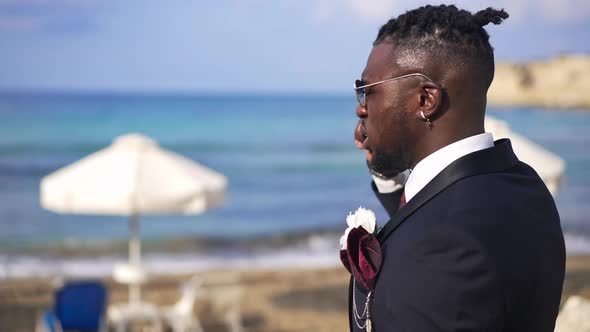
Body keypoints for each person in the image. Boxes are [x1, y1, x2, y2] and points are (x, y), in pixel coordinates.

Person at [349, 5, 565, 332]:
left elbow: (433, 234)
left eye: (368, 90)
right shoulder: (525, 187)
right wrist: (386, 166)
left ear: (425, 100)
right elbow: (432, 208)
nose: (361, 108)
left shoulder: (437, 252)